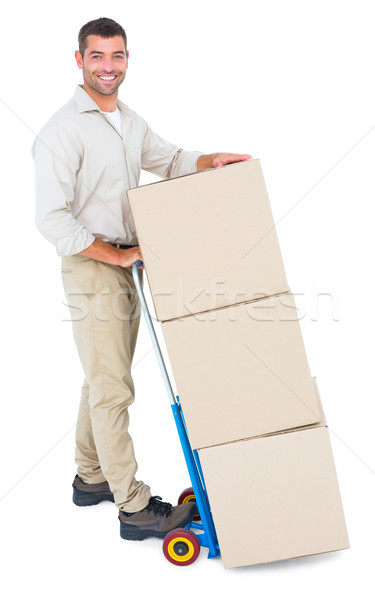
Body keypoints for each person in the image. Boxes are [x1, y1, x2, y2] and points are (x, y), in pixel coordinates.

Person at [33, 17, 251, 541]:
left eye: (117, 56)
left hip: (124, 265)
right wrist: (114, 254)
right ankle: (132, 507)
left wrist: (208, 160)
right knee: (113, 388)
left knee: (102, 379)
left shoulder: (127, 121)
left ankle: (91, 478)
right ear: (79, 59)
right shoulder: (62, 130)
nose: (108, 67)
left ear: (127, 59)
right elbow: (51, 219)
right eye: (97, 56)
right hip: (94, 267)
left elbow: (168, 159)